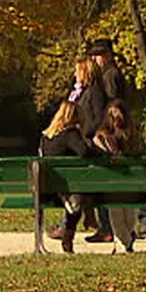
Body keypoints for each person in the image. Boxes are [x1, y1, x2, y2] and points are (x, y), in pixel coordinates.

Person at [87, 39, 146, 240]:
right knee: (131, 178)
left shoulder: (110, 75)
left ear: (108, 55)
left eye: (98, 54)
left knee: (121, 178)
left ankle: (115, 226)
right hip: (121, 130)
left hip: (115, 131)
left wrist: (105, 125)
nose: (95, 58)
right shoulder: (112, 74)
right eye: (93, 55)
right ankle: (141, 223)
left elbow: (114, 104)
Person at [37, 101, 99, 253]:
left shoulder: (46, 137)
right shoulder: (70, 134)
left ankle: (86, 216)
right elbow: (85, 153)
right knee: (83, 194)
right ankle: (73, 232)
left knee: (79, 194)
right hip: (67, 189)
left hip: (47, 191)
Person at [92, 99, 146, 252]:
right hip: (132, 183)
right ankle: (125, 241)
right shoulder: (134, 136)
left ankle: (124, 241)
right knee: (127, 210)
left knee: (117, 210)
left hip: (111, 184)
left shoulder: (101, 137)